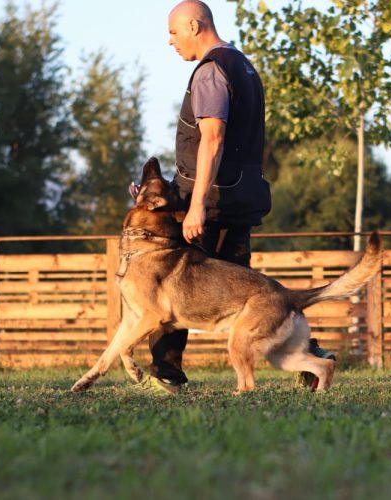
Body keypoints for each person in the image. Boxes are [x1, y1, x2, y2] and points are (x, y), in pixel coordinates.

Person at [141, 0, 272, 394]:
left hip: (213, 201)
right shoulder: (243, 66)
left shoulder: (211, 72)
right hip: (240, 197)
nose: (170, 41)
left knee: (167, 282)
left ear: (195, 26)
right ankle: (307, 354)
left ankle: (165, 374)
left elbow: (212, 139)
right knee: (247, 292)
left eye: (174, 32)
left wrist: (195, 205)